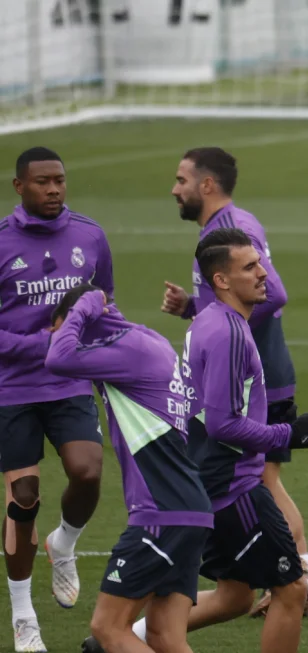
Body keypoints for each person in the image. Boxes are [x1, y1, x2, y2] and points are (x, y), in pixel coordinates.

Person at [94, 228, 308, 653]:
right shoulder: (229, 335)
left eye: (260, 263)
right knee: (292, 588)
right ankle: (122, 637)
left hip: (204, 479)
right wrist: (289, 433)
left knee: (235, 595)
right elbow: (224, 424)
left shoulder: (209, 320)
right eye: (251, 267)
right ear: (221, 280)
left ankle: (130, 637)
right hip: (232, 485)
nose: (264, 274)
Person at [161, 147, 308, 617]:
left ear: (206, 185)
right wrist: (196, 311)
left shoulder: (233, 235)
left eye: (181, 180)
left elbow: (275, 295)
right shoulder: (234, 225)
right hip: (251, 376)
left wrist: (227, 339)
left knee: (265, 483)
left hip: (258, 381)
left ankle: (302, 584)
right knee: (265, 485)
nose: (175, 189)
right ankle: (296, 582)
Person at [45, 284, 213, 653]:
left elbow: (58, 358)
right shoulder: (147, 340)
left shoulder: (128, 351)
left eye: (60, 326)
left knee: (108, 629)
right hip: (190, 511)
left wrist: (83, 308)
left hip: (160, 513)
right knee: (164, 638)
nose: (57, 336)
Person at [1, 146, 112, 652]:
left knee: (88, 471)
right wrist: (42, 344)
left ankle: (63, 541)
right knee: (22, 498)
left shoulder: (89, 235)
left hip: (69, 380)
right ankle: (24, 616)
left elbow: (104, 304)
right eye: (42, 182)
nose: (54, 190)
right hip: (13, 388)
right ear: (19, 185)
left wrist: (117, 357)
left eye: (60, 181)